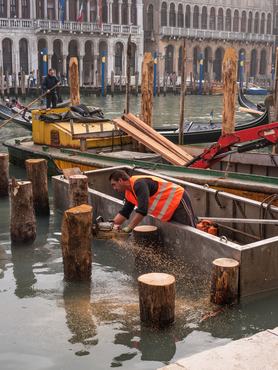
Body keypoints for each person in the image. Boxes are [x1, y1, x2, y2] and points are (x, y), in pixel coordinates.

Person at [109, 170, 196, 233]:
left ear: (120, 180)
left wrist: (129, 227)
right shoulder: (129, 193)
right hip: (168, 211)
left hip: (178, 200)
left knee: (189, 230)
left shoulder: (139, 184)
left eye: (114, 185)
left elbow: (143, 210)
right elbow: (125, 212)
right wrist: (110, 226)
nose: (114, 188)